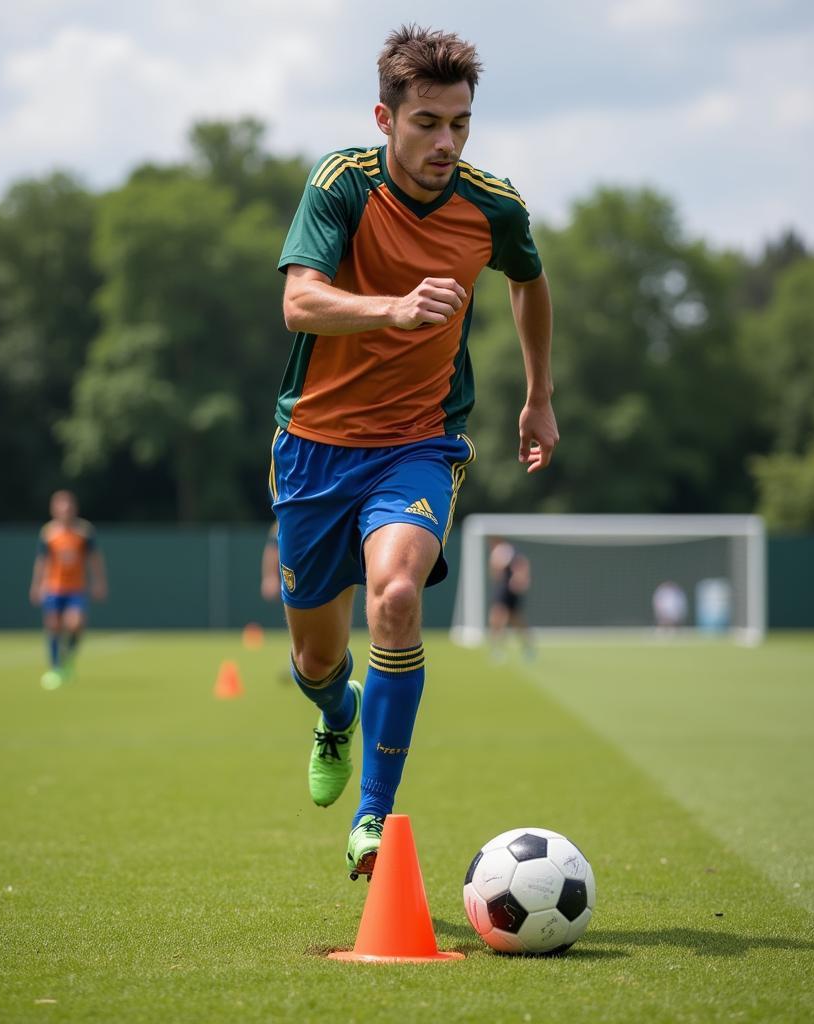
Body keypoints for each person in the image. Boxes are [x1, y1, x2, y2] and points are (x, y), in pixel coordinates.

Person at [269, 24, 558, 879]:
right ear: (384, 118)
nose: (446, 143)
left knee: (395, 595)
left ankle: (374, 817)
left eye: (460, 124)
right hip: (313, 451)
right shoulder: (341, 185)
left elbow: (529, 280)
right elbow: (299, 303)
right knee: (316, 661)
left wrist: (539, 396)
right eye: (427, 122)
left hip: (419, 444)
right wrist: (392, 308)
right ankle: (336, 711)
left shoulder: (492, 204)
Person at [29, 490, 107, 690]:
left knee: (75, 623)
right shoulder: (48, 533)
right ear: (53, 509)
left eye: (68, 506)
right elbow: (42, 561)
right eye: (60, 506)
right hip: (54, 587)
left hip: (76, 588)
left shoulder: (83, 532)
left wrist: (99, 582)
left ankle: (69, 657)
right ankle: (56, 668)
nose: (65, 510)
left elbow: (94, 558)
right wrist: (37, 585)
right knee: (53, 625)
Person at [488, 538, 533, 659]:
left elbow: (520, 565)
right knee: (500, 618)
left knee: (504, 619)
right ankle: (498, 649)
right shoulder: (508, 551)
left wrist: (521, 578)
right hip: (505, 589)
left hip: (508, 590)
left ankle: (526, 647)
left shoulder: (503, 550)